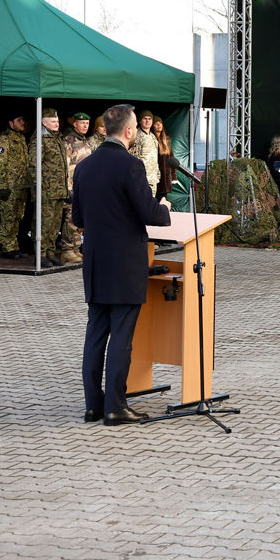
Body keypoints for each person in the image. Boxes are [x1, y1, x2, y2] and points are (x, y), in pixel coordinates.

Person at [72, 103, 173, 427]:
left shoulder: (84, 166)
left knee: (95, 334)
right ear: (129, 131)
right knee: (121, 337)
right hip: (125, 264)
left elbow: (77, 217)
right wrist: (164, 207)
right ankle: (115, 407)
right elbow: (149, 213)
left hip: (95, 262)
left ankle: (93, 405)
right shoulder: (131, 165)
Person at [31, 108, 69, 269]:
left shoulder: (57, 138)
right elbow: (34, 166)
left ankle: (50, 253)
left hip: (58, 190)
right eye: (53, 121)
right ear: (44, 123)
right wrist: (39, 188)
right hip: (46, 191)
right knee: (44, 225)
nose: (56, 124)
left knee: (54, 225)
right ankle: (40, 255)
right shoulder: (40, 140)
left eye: (57, 121)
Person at [0, 112, 31, 260]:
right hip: (10, 187)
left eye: (23, 119)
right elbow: (0, 164)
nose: (23, 122)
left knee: (17, 217)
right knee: (8, 217)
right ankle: (8, 247)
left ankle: (14, 246)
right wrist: (3, 186)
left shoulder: (21, 139)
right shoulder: (5, 140)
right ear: (11, 123)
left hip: (21, 186)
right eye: (19, 120)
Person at [61, 113, 96, 262]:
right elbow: (65, 166)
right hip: (73, 186)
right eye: (82, 123)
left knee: (79, 218)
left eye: (87, 123)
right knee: (70, 218)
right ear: (75, 124)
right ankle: (67, 249)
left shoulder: (85, 141)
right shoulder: (69, 141)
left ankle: (76, 247)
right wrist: (68, 187)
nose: (85, 126)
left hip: (84, 186)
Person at [131, 109, 161, 195]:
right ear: (140, 121)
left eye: (149, 119)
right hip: (141, 177)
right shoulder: (136, 135)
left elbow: (155, 157)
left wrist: (157, 174)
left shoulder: (153, 136)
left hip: (153, 178)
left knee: (151, 200)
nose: (147, 121)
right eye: (145, 118)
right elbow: (132, 156)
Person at [152, 117, 175, 199]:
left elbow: (171, 158)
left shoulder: (166, 139)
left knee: (163, 199)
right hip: (154, 175)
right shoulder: (151, 138)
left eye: (160, 123)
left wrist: (173, 176)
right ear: (152, 126)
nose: (159, 125)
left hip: (165, 176)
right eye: (156, 123)